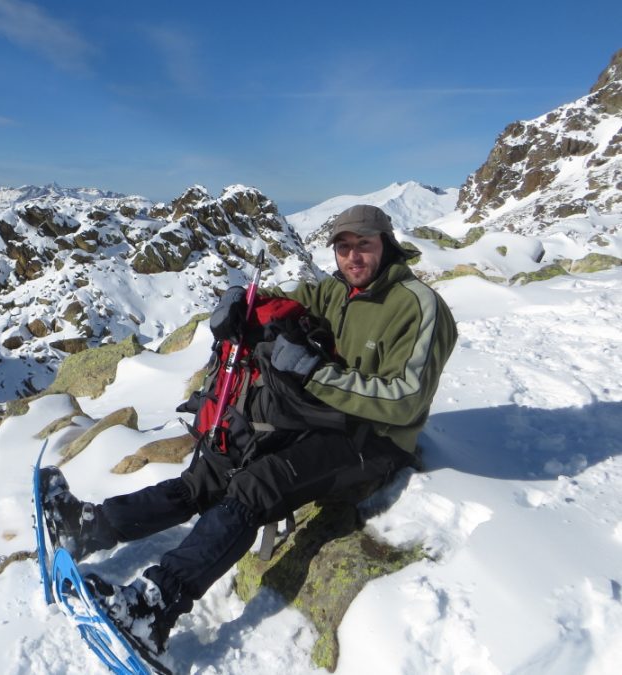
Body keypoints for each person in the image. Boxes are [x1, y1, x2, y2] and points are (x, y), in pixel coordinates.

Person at [40, 204, 458, 656]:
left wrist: (316, 374)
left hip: (371, 439)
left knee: (256, 486)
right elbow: (283, 299)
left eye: (364, 246)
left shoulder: (418, 306)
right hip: (319, 415)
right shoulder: (337, 291)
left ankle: (153, 609)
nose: (353, 257)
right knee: (212, 471)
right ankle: (90, 526)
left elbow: (405, 399)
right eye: (343, 247)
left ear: (385, 244)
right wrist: (240, 301)